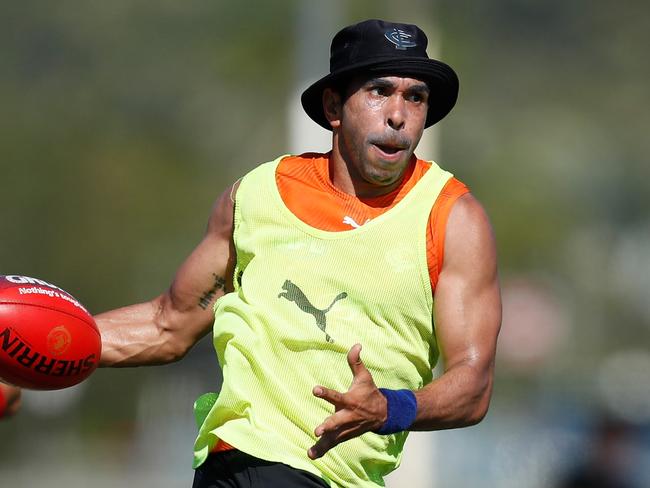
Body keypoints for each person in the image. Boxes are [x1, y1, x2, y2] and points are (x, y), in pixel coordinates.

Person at [97, 18, 501, 487]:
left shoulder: (453, 218)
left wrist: (389, 408)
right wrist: (38, 342)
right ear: (333, 106)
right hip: (227, 462)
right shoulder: (255, 196)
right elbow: (169, 324)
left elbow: (472, 388)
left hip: (326, 476)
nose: (398, 114)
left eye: (415, 97)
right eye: (378, 90)